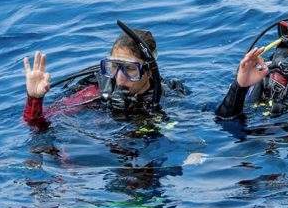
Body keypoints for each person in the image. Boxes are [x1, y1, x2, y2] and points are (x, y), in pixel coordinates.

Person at [21, 22, 186, 130]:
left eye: (130, 69)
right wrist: (34, 99)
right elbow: (36, 124)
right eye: (114, 67)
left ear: (150, 70)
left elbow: (185, 130)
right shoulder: (96, 91)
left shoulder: (168, 97)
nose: (120, 78)